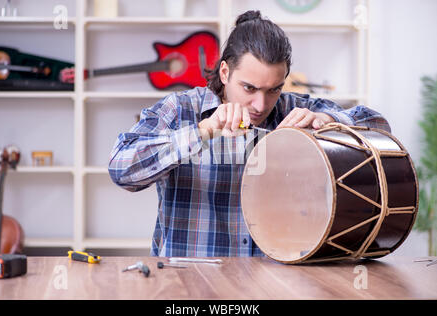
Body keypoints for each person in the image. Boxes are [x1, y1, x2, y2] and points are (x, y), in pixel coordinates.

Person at [108, 10, 391, 257]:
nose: (261, 104)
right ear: (224, 72)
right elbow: (121, 169)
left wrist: (327, 119)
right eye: (249, 88)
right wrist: (203, 130)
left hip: (275, 281)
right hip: (191, 283)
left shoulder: (295, 108)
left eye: (274, 89)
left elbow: (378, 126)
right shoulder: (180, 110)